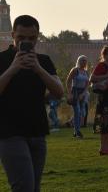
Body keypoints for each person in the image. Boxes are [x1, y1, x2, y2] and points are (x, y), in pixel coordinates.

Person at [0, 15, 64, 192]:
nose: (26, 41)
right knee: (24, 187)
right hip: (9, 132)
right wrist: (13, 68)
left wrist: (38, 69)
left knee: (34, 187)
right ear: (13, 35)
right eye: (21, 37)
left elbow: (58, 92)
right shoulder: (2, 60)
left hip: (37, 131)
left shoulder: (43, 61)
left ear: (38, 36)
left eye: (32, 38)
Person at [66, 55, 89, 138]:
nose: (84, 62)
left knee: (83, 113)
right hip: (75, 91)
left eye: (85, 60)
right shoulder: (75, 70)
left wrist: (84, 93)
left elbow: (87, 84)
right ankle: (77, 131)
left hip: (83, 92)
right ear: (79, 61)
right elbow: (68, 81)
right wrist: (69, 93)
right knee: (77, 111)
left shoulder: (86, 72)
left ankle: (76, 130)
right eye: (82, 60)